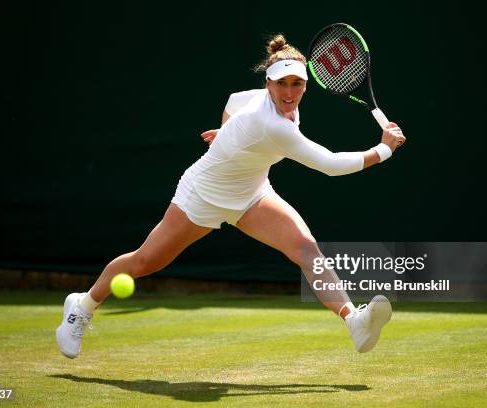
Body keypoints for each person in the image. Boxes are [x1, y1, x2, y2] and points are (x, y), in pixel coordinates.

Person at [56, 34, 406, 359]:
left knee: (306, 248)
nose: (288, 92)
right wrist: (384, 150)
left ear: (305, 84)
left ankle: (354, 321)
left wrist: (228, 132)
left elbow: (231, 103)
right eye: (281, 83)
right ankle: (82, 306)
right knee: (146, 262)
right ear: (268, 83)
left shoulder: (260, 101)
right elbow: (329, 165)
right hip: (202, 195)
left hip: (252, 194)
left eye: (296, 83)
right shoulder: (271, 124)